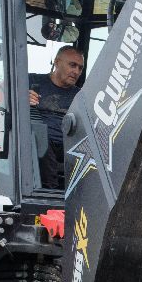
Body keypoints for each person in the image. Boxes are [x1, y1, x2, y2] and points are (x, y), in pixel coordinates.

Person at [29, 45, 85, 189]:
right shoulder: (32, 81)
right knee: (40, 137)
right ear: (57, 62)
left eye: (80, 68)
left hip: (69, 144)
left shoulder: (81, 96)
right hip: (38, 141)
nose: (76, 72)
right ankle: (50, 193)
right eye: (72, 65)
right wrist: (21, 99)